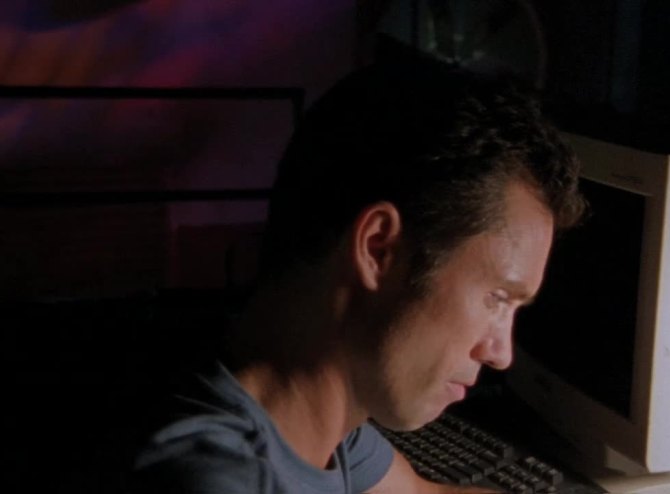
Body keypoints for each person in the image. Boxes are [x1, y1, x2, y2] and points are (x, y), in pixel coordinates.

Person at [129, 60, 585, 493]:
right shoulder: (217, 476)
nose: (501, 354)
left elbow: (428, 492)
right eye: (498, 298)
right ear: (378, 249)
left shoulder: (316, 420)